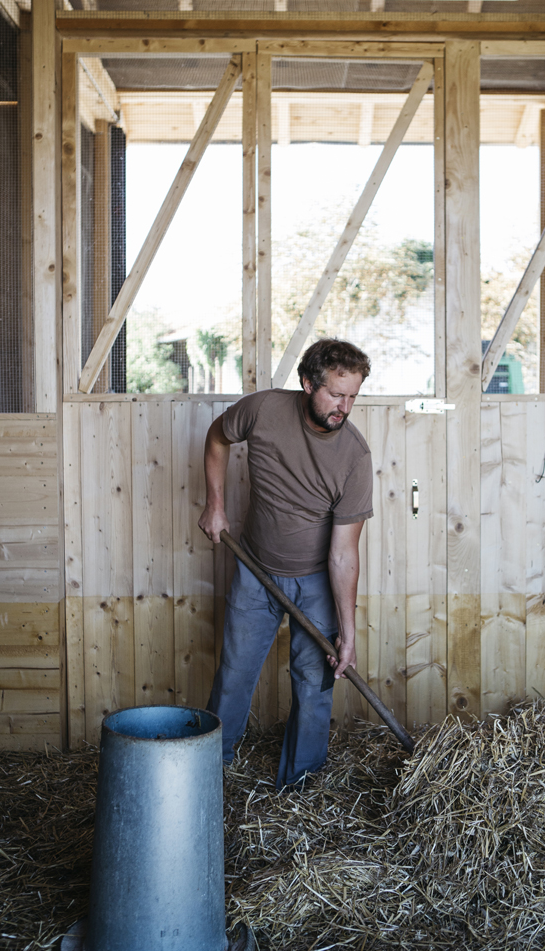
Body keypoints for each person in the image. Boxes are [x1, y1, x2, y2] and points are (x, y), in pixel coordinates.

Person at [198, 337, 373, 789]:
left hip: (316, 583)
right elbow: (218, 436)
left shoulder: (354, 456)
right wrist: (215, 505)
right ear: (307, 383)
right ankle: (207, 772)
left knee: (314, 684)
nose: (344, 406)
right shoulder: (264, 410)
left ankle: (301, 785)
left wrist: (347, 632)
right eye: (336, 393)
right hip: (254, 569)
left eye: (353, 395)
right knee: (235, 675)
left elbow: (343, 553)